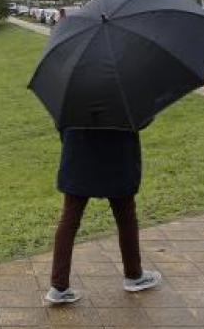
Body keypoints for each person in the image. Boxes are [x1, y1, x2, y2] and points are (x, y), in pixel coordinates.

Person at [46, 127, 162, 304]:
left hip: (79, 155)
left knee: (69, 220)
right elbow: (140, 119)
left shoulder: (73, 99)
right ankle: (134, 274)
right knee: (126, 217)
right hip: (117, 156)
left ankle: (59, 286)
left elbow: (61, 123)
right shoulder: (123, 100)